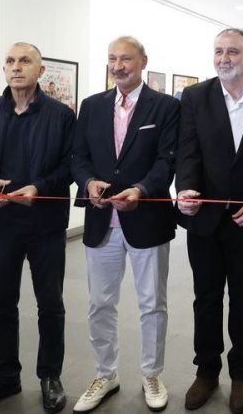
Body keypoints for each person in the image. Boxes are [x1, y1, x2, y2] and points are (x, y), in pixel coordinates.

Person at [0, 42, 75, 413]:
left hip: (45, 225)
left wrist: (39, 188)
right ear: (4, 69)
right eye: (10, 61)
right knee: (0, 303)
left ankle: (50, 376)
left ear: (40, 70)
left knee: (50, 304)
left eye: (25, 61)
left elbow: (71, 166)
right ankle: (5, 377)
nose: (16, 67)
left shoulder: (61, 115)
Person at [176, 28, 243, 413]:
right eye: (219, 51)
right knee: (205, 298)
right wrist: (185, 189)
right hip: (203, 218)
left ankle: (242, 375)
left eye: (233, 52)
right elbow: (187, 152)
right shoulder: (195, 97)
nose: (225, 58)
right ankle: (206, 372)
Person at [71, 36, 180, 413]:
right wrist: (88, 182)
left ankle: (152, 373)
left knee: (152, 304)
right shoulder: (92, 106)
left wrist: (141, 189)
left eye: (126, 59)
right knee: (100, 304)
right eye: (112, 59)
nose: (118, 66)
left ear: (143, 61)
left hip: (147, 219)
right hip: (102, 220)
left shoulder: (165, 106)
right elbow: (78, 156)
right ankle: (105, 374)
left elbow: (167, 161)